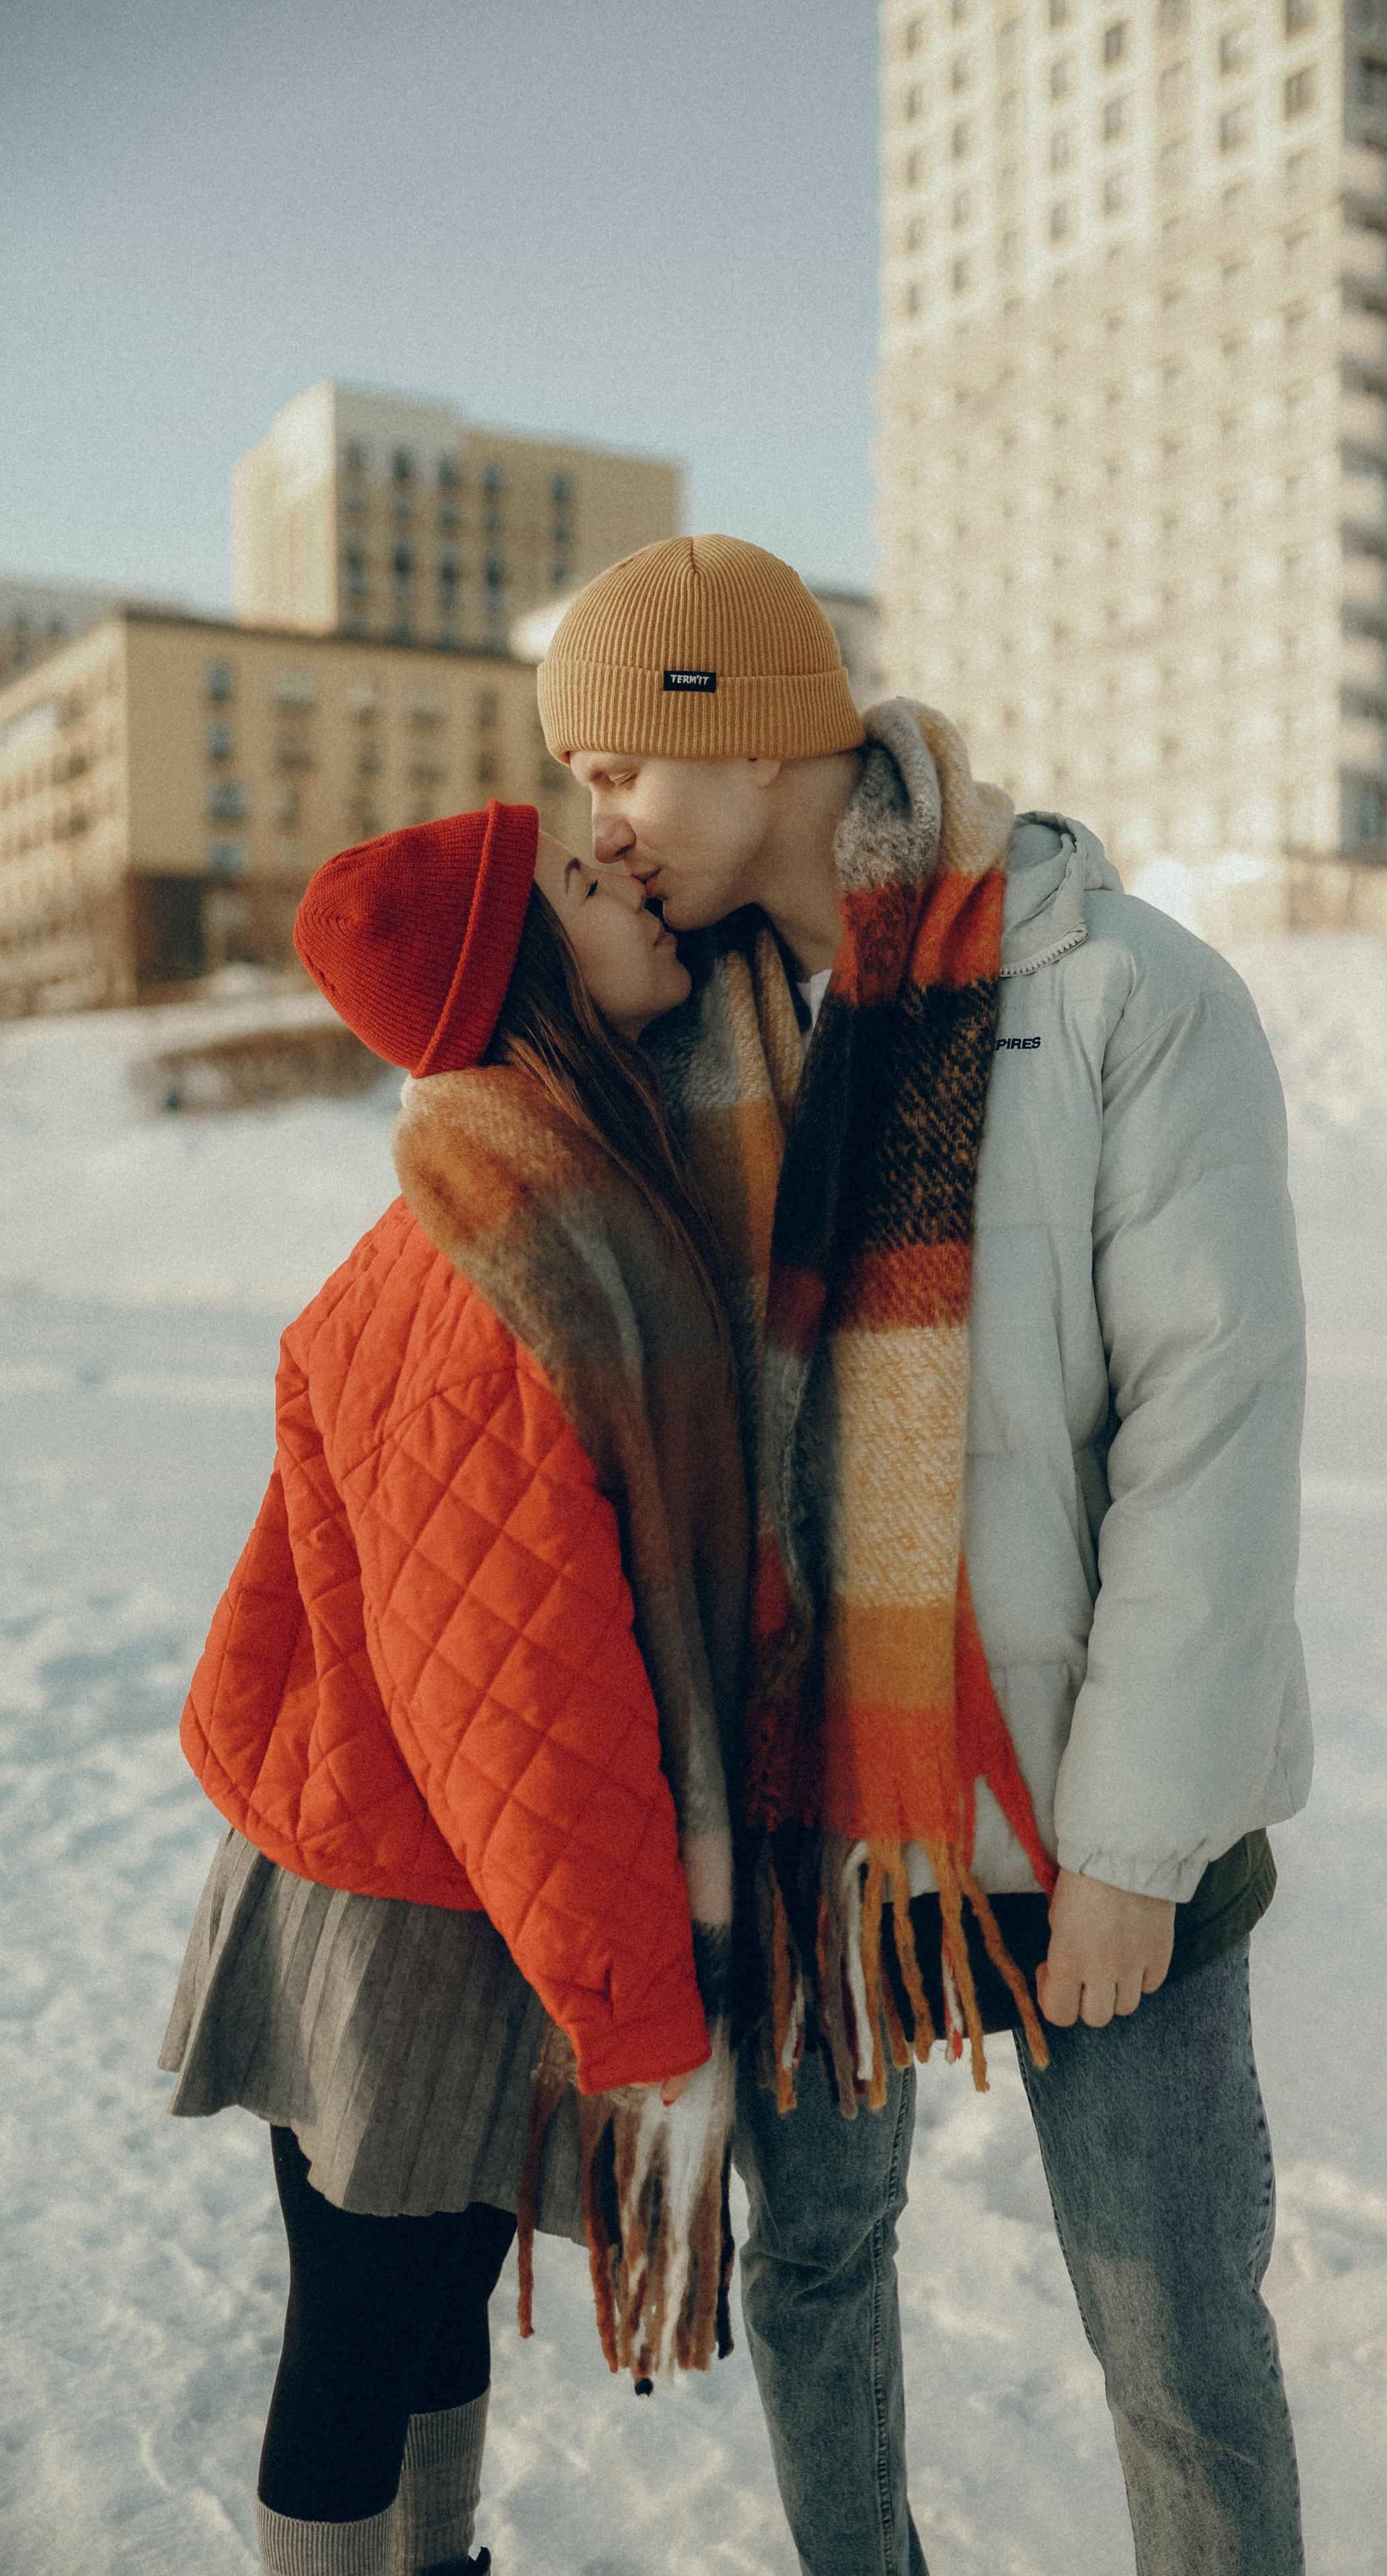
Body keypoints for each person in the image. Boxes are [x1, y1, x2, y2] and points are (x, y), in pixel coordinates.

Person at [533, 537, 1315, 2576]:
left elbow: (1211, 1441)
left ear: (758, 731)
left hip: (1080, 1818)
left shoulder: (1121, 988)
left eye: (623, 765)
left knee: (1175, 2343)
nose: (598, 821)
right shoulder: (672, 1036)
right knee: (815, 2284)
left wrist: (1136, 1849)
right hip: (811, 1832)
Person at [158, 800, 749, 2576]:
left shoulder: (500, 1196)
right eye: (583, 881)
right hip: (405, 1912)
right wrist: (644, 2021)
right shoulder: (504, 1266)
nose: (629, 879)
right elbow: (528, 1718)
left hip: (396, 1870)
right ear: (521, 978)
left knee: (411, 2318)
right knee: (362, 2339)